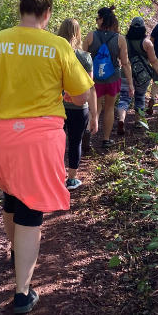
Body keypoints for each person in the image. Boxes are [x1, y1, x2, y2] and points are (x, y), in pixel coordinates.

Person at [0, 0, 93, 314]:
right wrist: (66, 94)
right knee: (30, 208)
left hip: (2, 138)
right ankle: (22, 293)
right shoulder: (58, 47)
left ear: (20, 9)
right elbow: (81, 94)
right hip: (41, 140)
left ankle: (14, 248)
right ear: (47, 13)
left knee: (11, 194)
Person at [82, 6, 133, 148]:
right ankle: (106, 139)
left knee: (94, 108)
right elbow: (125, 63)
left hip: (93, 80)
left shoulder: (90, 36)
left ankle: (87, 132)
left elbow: (82, 58)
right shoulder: (120, 39)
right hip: (113, 78)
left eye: (97, 19)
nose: (96, 21)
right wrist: (130, 83)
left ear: (102, 19)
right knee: (109, 108)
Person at [57, 18, 98, 190]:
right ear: (78, 34)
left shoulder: (53, 54)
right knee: (75, 142)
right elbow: (90, 88)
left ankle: (56, 177)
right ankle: (72, 179)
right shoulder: (85, 57)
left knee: (56, 143)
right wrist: (95, 116)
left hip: (56, 107)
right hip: (78, 108)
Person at [116, 17, 158, 135]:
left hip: (125, 74)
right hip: (143, 76)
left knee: (124, 98)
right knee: (140, 97)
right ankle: (138, 121)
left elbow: (119, 58)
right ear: (143, 28)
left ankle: (121, 119)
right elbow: (153, 61)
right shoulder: (147, 43)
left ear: (131, 27)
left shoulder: (123, 40)